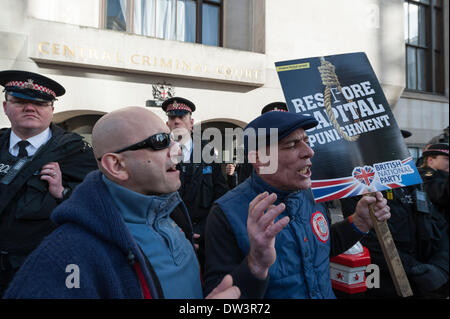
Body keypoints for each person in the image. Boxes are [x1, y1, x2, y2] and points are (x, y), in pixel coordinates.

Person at [3, 107, 248, 298]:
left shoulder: (171, 219)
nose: (178, 152)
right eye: (161, 141)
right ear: (116, 165)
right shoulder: (64, 256)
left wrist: (255, 266)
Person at [204, 111, 391, 298]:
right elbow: (220, 293)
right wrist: (255, 264)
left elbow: (320, 249)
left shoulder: (312, 194)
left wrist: (358, 223)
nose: (309, 152)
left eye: (307, 142)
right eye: (292, 145)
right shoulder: (225, 213)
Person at [0, 70, 97, 296]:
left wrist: (63, 191)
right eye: (20, 101)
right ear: (6, 106)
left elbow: (97, 204)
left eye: (40, 103)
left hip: (40, 268)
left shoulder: (77, 152)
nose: (30, 108)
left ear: (51, 110)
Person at [340, 131, 449, 298]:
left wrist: (441, 266)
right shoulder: (359, 186)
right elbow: (366, 237)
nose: (393, 149)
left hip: (427, 281)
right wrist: (413, 269)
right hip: (386, 283)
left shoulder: (413, 182)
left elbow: (440, 226)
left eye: (396, 142)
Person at [162, 97, 228, 272]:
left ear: (191, 123)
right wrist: (178, 232)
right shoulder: (160, 153)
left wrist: (204, 230)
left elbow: (221, 194)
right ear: (167, 124)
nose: (176, 121)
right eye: (172, 117)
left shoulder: (208, 151)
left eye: (182, 117)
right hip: (171, 237)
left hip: (205, 237)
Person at [227, 102, 287, 189]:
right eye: (271, 122)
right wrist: (232, 176)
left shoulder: (304, 148)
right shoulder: (252, 152)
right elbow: (241, 186)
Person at [418, 143, 449, 225]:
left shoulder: (442, 175)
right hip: (437, 230)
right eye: (447, 159)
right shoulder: (425, 177)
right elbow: (440, 195)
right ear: (430, 160)